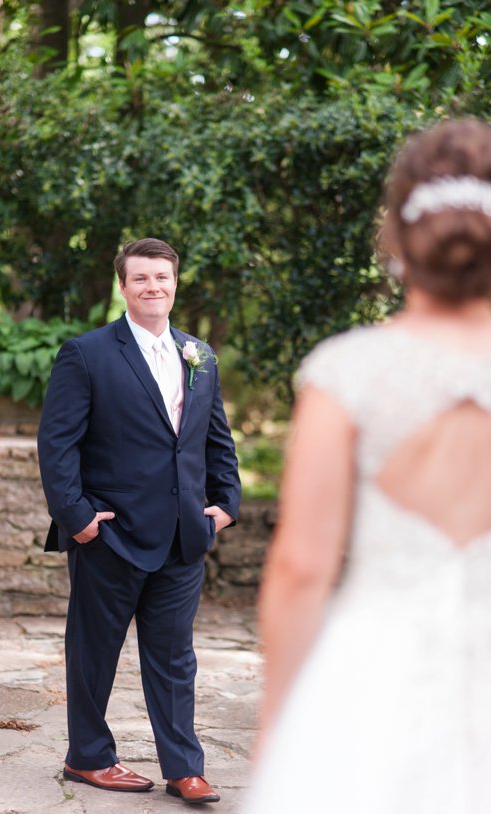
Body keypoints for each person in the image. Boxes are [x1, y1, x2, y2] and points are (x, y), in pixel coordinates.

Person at [244, 119, 491, 814]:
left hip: (375, 685)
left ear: (399, 233)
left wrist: (277, 727)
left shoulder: (347, 372)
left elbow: (300, 569)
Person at [37, 238, 241, 803]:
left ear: (176, 283)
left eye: (163, 277)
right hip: (110, 534)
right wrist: (78, 519)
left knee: (175, 656)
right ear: (123, 287)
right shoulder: (87, 353)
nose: (154, 287)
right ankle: (88, 758)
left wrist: (226, 504)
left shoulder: (200, 355)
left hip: (183, 537)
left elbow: (214, 439)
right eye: (141, 279)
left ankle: (184, 769)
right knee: (94, 651)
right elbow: (57, 445)